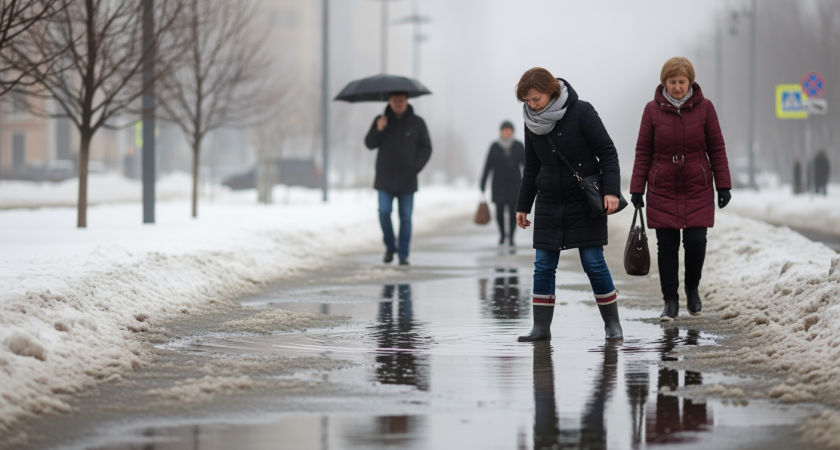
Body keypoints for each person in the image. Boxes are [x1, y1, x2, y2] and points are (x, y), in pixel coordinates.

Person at [514, 67, 624, 342]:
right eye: (527, 101)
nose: (532, 105)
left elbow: (607, 152)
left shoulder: (582, 112)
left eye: (535, 99)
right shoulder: (531, 120)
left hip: (584, 201)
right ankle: (541, 328)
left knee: (593, 262)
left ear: (551, 92)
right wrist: (523, 205)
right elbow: (531, 167)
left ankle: (613, 325)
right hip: (550, 201)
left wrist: (611, 191)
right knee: (543, 264)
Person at [629, 57, 732, 321]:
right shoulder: (651, 110)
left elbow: (717, 148)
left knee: (696, 242)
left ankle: (692, 287)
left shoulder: (706, 108)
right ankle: (671, 300)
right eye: (672, 82)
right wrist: (637, 188)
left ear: (690, 82)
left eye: (682, 82)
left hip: (697, 184)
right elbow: (643, 151)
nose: (677, 87)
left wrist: (723, 185)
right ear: (664, 82)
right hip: (662, 184)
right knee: (667, 246)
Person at [365, 92, 432, 266]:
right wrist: (378, 129)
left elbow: (426, 148)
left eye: (401, 100)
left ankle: (403, 253)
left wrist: (415, 167)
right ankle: (389, 246)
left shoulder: (417, 123)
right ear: (389, 101)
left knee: (406, 218)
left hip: (407, 180)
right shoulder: (381, 120)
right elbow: (369, 143)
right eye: (394, 100)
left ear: (407, 101)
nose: (398, 104)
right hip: (384, 178)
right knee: (384, 212)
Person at [480, 121, 525, 246]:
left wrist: (531, 181)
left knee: (513, 213)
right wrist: (483, 183)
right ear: (501, 132)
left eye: (509, 130)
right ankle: (502, 234)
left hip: (515, 185)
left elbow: (526, 165)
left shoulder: (518, 146)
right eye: (504, 130)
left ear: (512, 132)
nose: (507, 132)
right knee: (499, 212)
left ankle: (511, 237)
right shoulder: (494, 146)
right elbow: (488, 166)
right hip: (498, 184)